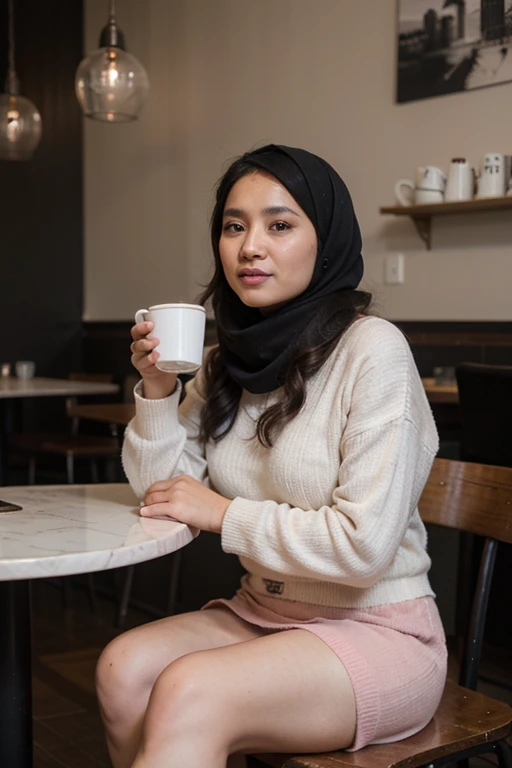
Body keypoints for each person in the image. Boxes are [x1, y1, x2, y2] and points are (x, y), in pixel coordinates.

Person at [95, 145, 447, 768]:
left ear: (326, 240)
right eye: (234, 226)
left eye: (279, 225)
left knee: (189, 689)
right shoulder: (225, 363)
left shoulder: (374, 351)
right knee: (121, 668)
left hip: (382, 630)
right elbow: (163, 494)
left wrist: (224, 515)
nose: (249, 246)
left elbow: (365, 548)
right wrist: (156, 391)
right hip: (262, 611)